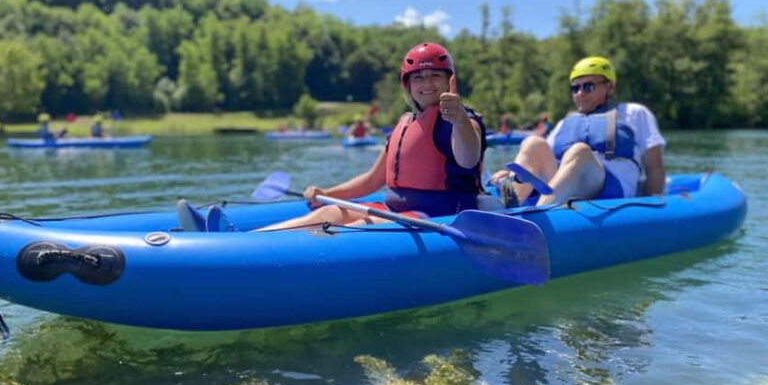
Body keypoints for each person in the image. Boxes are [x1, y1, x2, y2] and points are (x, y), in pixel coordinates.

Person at [179, 43, 486, 232]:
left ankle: (240, 251)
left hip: (439, 217)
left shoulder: (459, 120)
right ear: (407, 86)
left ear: (450, 80)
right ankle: (240, 241)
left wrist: (458, 117)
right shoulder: (406, 122)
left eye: (435, 75)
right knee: (329, 211)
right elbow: (371, 181)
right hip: (398, 211)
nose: (426, 83)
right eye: (418, 77)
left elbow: (468, 156)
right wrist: (329, 191)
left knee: (351, 226)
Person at [489, 56, 665, 207]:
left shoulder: (634, 113)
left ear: (610, 87)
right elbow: (543, 161)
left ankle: (540, 213)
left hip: (612, 189)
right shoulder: (565, 122)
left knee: (579, 151)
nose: (580, 93)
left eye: (588, 86)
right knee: (533, 143)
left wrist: (651, 207)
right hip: (563, 185)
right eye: (575, 88)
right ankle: (512, 206)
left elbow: (655, 167)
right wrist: (514, 173)